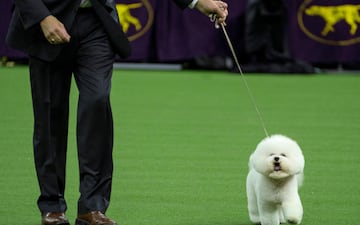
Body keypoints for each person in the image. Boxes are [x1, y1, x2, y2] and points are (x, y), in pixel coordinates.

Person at [6, 0, 228, 225]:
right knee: (50, 114)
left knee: (97, 102)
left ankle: (92, 207)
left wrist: (197, 1)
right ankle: (52, 206)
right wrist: (43, 17)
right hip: (48, 19)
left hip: (97, 21)